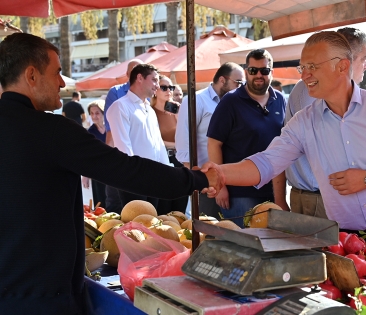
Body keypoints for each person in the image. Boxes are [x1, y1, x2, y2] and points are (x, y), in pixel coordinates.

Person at [0, 32, 221, 314]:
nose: (61, 82)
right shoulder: (52, 131)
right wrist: (198, 179)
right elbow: (126, 169)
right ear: (31, 75)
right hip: (44, 296)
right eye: (56, 73)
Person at [203, 31, 366, 258]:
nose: (305, 76)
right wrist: (218, 174)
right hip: (347, 241)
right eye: (303, 68)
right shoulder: (304, 121)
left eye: (312, 66)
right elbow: (266, 162)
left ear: (342, 66)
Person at [285, 27, 366, 218]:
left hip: (319, 197)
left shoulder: (324, 90)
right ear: (344, 61)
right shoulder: (316, 90)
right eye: (364, 59)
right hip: (320, 200)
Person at [207, 49, 289, 228]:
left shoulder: (281, 100)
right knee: (246, 248)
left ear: (271, 72)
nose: (258, 75)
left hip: (273, 191)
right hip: (239, 194)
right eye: (253, 71)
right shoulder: (230, 101)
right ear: (246, 72)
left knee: (272, 248)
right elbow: (214, 143)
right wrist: (221, 187)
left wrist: (281, 197)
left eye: (264, 71)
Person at [176, 62, 245, 218]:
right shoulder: (196, 100)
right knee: (209, 230)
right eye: (239, 82)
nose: (242, 87)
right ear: (222, 80)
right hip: (206, 181)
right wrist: (193, 178)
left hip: (233, 179)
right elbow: (183, 138)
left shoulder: (235, 103)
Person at [106, 64, 171, 210]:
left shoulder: (149, 109)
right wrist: (135, 179)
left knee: (153, 224)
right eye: (154, 80)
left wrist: (167, 173)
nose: (157, 85)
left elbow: (158, 144)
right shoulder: (120, 106)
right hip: (134, 180)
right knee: (135, 227)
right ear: (140, 78)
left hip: (154, 178)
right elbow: (124, 149)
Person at [103, 59, 142, 213]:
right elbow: (110, 129)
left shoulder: (147, 98)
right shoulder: (116, 92)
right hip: (121, 159)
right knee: (116, 205)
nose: (138, 76)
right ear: (127, 74)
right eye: (134, 72)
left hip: (141, 160)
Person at [150, 75, 189, 215]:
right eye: (164, 87)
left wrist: (179, 114)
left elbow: (186, 135)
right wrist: (175, 145)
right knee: (163, 209)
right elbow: (154, 140)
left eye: (171, 87)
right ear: (155, 90)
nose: (169, 91)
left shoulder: (177, 110)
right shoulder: (150, 112)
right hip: (161, 162)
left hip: (179, 161)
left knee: (180, 210)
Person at [82, 100, 107, 207]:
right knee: (100, 202)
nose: (94, 116)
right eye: (91, 113)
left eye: (97, 113)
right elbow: (87, 154)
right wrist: (85, 175)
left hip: (114, 169)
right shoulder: (90, 132)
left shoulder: (112, 128)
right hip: (97, 172)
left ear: (103, 113)